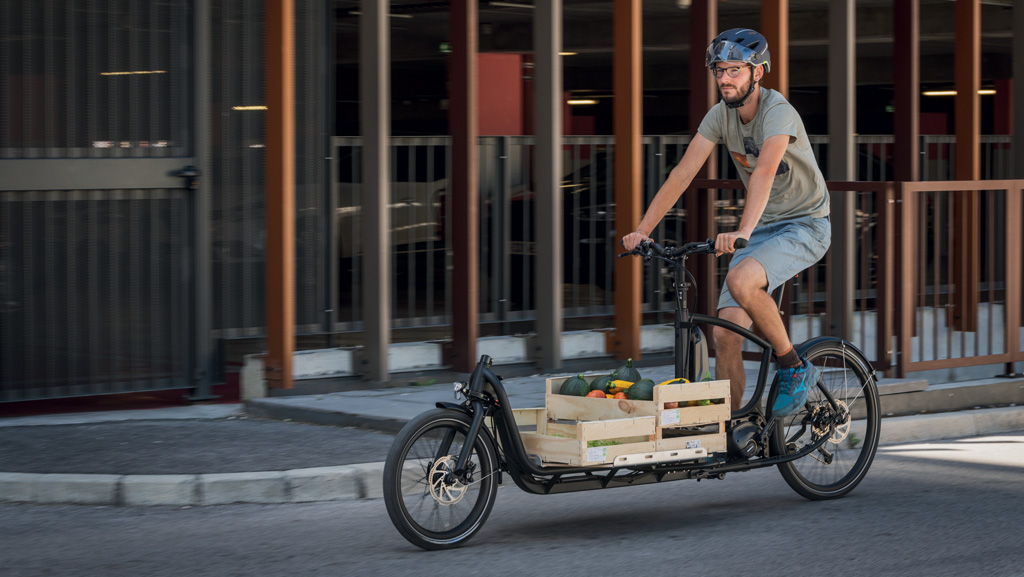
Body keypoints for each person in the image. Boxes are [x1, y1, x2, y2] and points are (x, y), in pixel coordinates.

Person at [620, 28, 831, 417]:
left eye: (734, 70)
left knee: (740, 280)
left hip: (805, 224)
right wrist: (644, 230)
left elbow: (765, 171)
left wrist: (743, 232)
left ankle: (794, 368)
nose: (724, 79)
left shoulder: (778, 111)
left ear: (758, 72)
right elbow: (682, 174)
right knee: (724, 333)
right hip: (763, 226)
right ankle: (730, 427)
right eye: (719, 70)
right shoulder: (719, 115)